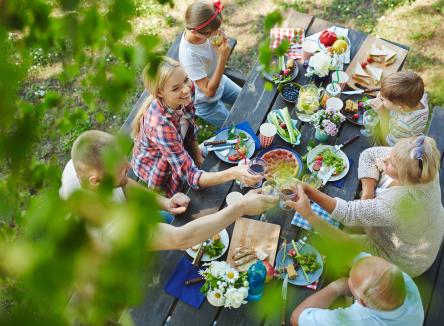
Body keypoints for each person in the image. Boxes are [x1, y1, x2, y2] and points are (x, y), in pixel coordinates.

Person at [60, 130, 277, 250]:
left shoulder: (80, 167)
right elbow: (180, 240)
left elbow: (124, 185)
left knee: (179, 216)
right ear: (96, 181)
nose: (129, 168)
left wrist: (164, 202)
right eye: (121, 169)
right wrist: (241, 207)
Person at [297, 135, 444, 277]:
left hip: (400, 257)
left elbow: (348, 213)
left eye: (391, 163)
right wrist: (367, 195)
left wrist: (309, 190)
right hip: (417, 233)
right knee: (340, 225)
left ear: (405, 175)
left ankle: (349, 280)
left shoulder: (401, 203)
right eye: (391, 154)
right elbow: (370, 154)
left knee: (329, 245)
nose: (385, 159)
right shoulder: (422, 166)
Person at [287, 187, 424, 326]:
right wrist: (309, 215)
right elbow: (350, 250)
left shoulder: (356, 321)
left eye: (351, 276)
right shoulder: (404, 282)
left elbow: (297, 318)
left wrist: (337, 286)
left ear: (361, 301)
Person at [131, 57, 259, 198]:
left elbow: (190, 128)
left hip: (178, 148)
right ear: (160, 93)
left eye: (186, 79)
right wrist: (233, 173)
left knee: (234, 140)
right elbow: (191, 177)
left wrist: (197, 156)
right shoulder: (160, 126)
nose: (186, 89)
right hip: (159, 168)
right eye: (176, 88)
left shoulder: (185, 94)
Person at [178, 0, 241, 127]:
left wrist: (220, 46)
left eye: (217, 29)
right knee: (237, 127)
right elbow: (208, 91)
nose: (216, 33)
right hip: (206, 102)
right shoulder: (189, 55)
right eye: (211, 32)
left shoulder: (205, 31)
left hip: (220, 82)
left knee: (248, 99)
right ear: (194, 31)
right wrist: (223, 59)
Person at [369, 71, 429, 146]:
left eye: (383, 99)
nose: (380, 97)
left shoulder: (403, 124)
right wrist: (385, 94)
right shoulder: (419, 95)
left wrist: (383, 114)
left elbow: (387, 142)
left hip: (398, 145)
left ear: (400, 107)